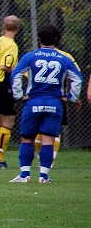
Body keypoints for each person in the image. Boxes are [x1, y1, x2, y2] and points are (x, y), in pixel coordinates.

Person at [9, 24, 83, 183]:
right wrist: (70, 97)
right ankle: (43, 176)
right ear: (56, 39)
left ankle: (24, 175)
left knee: (27, 138)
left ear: (40, 39)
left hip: (33, 101)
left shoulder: (30, 56)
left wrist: (19, 95)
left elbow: (16, 75)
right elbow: (77, 79)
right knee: (48, 139)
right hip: (54, 103)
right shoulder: (64, 59)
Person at [33, 44, 81, 167]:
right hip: (57, 98)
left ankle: (40, 159)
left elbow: (24, 75)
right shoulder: (65, 56)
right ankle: (49, 161)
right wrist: (74, 96)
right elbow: (76, 76)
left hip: (36, 98)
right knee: (54, 129)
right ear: (55, 39)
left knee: (38, 128)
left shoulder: (35, 55)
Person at [0, 15, 20, 168]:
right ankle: (0, 158)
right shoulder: (11, 45)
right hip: (3, 83)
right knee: (8, 121)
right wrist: (21, 72)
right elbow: (4, 66)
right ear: (17, 29)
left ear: (3, 26)